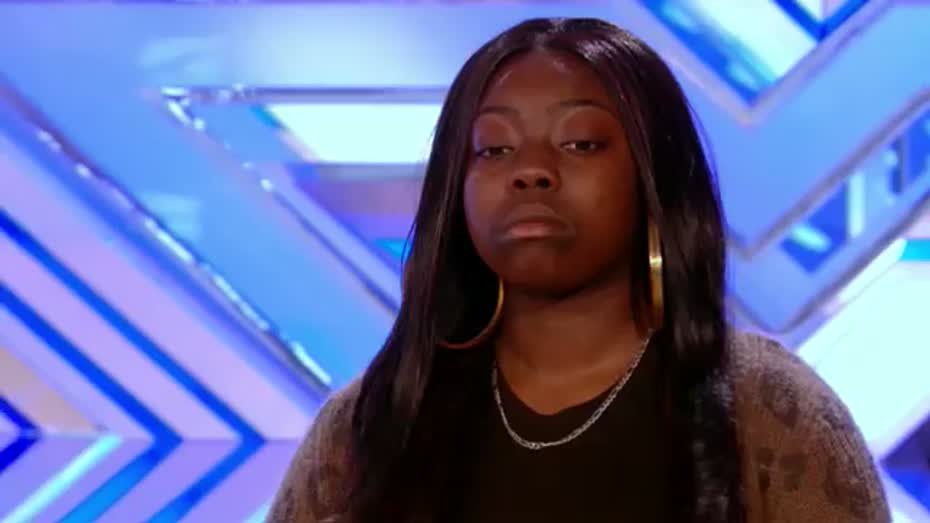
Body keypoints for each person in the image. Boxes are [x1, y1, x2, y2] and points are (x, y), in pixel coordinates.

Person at [268, 17, 889, 522]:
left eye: (581, 142)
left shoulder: (766, 408)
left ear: (654, 178)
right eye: (494, 148)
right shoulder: (375, 420)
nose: (531, 171)